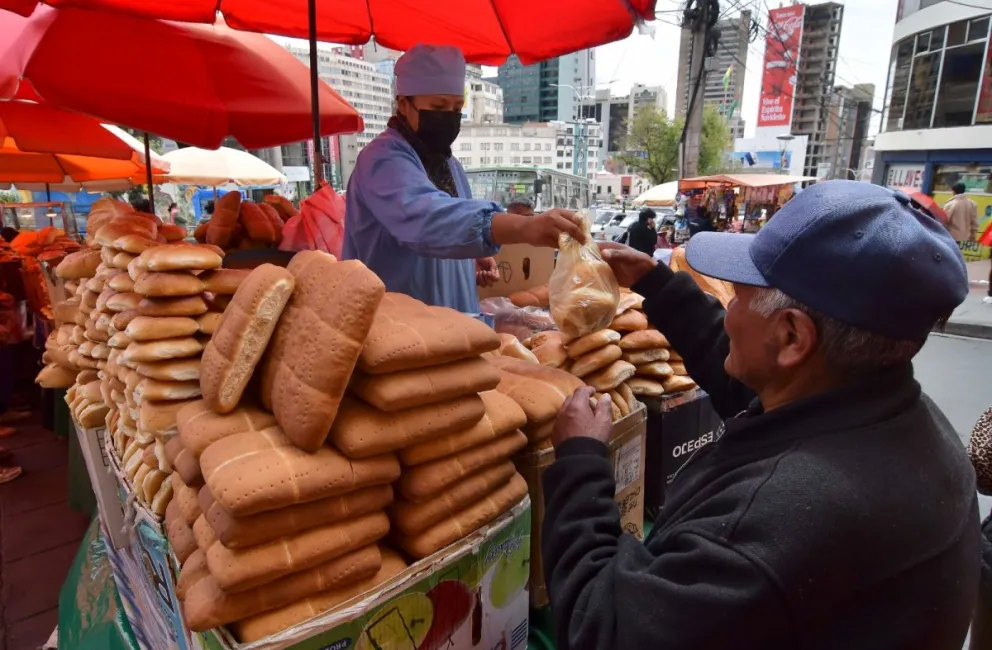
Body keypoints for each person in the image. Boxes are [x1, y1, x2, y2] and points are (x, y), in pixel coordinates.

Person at [542, 181, 977, 650]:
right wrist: (657, 284)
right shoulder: (886, 410)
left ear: (792, 337)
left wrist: (581, 463)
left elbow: (601, 629)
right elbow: (750, 381)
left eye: (738, 295)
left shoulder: (768, 527)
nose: (730, 311)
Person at [343, 44, 584, 313]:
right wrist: (524, 228)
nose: (449, 116)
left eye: (457, 107)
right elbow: (427, 220)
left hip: (457, 323)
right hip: (398, 326)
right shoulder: (381, 159)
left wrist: (472, 256)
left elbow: (453, 224)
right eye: (438, 106)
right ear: (404, 104)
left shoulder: (450, 165)